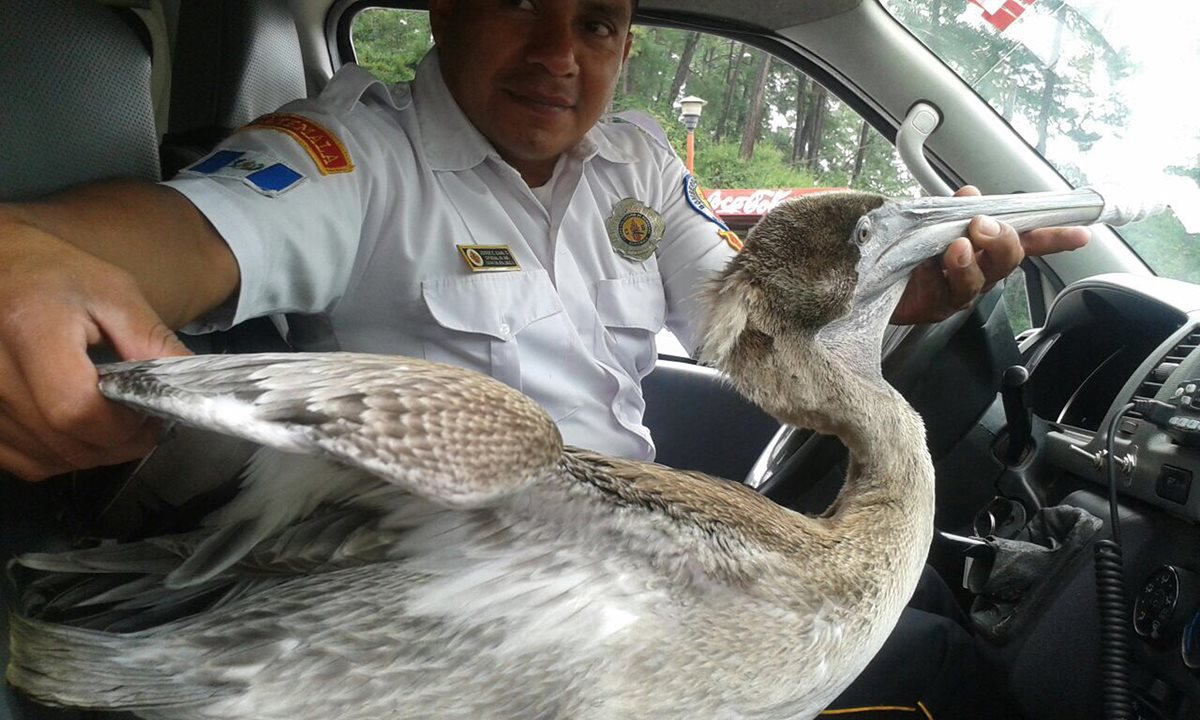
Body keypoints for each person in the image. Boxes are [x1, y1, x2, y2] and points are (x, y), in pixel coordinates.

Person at [0, 0, 1087, 715]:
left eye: (598, 22)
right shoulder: (355, 157)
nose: (558, 54)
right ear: (446, 7)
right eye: (521, 0)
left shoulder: (635, 165)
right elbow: (177, 238)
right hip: (467, 589)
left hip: (634, 557)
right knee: (946, 667)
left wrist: (908, 291)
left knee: (935, 610)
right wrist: (25, 255)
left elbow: (742, 316)